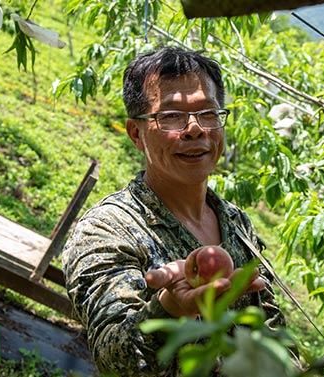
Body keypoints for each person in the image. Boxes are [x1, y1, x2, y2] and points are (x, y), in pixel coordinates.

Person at [62, 46, 286, 376]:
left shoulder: (237, 224)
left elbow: (273, 331)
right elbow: (115, 360)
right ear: (136, 133)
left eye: (208, 113)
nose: (195, 128)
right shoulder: (107, 230)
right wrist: (169, 309)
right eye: (170, 116)